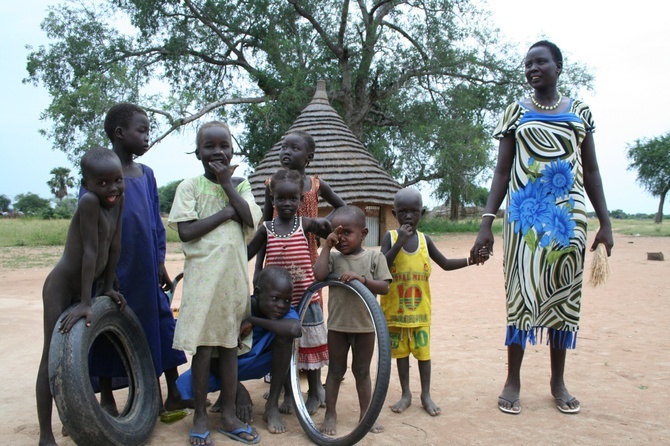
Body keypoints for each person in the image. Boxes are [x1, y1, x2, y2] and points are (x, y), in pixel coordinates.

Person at [470, 40, 614, 415]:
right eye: (527, 64)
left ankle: (558, 382)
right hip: (523, 220)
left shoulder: (580, 112)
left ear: (558, 66)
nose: (532, 68)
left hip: (568, 222)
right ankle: (512, 380)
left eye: (540, 62)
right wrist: (487, 222)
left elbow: (593, 171)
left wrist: (606, 222)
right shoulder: (515, 112)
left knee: (564, 299)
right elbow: (502, 171)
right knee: (520, 296)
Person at [88, 103, 190, 416]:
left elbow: (155, 225)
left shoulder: (146, 175)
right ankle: (106, 398)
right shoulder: (104, 177)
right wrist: (103, 272)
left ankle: (172, 391)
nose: (147, 138)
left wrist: (160, 261)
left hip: (146, 270)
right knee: (109, 329)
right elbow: (91, 224)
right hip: (114, 271)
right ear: (120, 133)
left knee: (160, 326)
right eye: (141, 131)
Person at [168, 120, 262, 445]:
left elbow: (250, 218)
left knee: (229, 347)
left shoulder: (242, 185)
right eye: (209, 146)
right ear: (198, 153)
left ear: (233, 149)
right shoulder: (189, 187)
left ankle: (230, 416)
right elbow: (186, 231)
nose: (217, 152)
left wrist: (227, 185)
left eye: (224, 145)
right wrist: (225, 213)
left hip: (233, 282)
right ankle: (198, 415)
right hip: (201, 285)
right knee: (204, 349)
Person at [37, 147, 126, 446]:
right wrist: (86, 301)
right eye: (102, 183)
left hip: (93, 284)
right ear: (86, 184)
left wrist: (110, 287)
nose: (112, 188)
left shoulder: (118, 200)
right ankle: (45, 434)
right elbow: (89, 252)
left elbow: (114, 246)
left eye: (117, 180)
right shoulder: (88, 202)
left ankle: (69, 419)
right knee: (50, 356)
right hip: (63, 286)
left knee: (80, 353)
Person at [380, 187, 488, 417]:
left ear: (422, 213)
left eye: (414, 211)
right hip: (394, 313)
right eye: (403, 212)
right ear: (394, 213)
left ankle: (425, 394)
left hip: (420, 312)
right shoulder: (389, 238)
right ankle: (406, 393)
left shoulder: (424, 240)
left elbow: (446, 263)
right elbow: (380, 266)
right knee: (400, 355)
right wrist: (399, 242)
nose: (408, 216)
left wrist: (472, 260)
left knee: (423, 354)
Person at [259, 130, 345, 413]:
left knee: (310, 326)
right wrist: (258, 269)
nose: (286, 151)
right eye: (284, 146)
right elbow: (265, 222)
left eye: (294, 148)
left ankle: (315, 388)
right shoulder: (272, 184)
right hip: (277, 266)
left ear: (308, 157)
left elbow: (341, 207)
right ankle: (288, 389)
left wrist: (321, 224)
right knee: (283, 327)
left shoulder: (316, 185)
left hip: (307, 261)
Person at [174, 266, 303, 435]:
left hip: (261, 363)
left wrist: (253, 321)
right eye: (275, 298)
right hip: (226, 368)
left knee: (285, 337)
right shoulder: (238, 307)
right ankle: (227, 393)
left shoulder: (281, 312)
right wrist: (238, 391)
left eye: (287, 300)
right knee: (184, 388)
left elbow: (294, 329)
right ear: (257, 293)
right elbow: (212, 358)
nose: (281, 306)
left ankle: (271, 406)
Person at [247, 169, 332, 414]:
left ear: (300, 199)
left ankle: (315, 391)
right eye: (281, 199)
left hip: (307, 298)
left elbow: (328, 232)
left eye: (292, 199)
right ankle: (289, 393)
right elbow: (249, 252)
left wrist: (330, 229)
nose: (287, 204)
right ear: (272, 200)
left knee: (311, 346)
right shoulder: (267, 228)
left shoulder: (304, 224)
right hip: (279, 303)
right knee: (283, 348)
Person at [313, 205, 392, 435]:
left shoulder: (374, 257)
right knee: (336, 371)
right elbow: (318, 275)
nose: (342, 238)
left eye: (347, 232)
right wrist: (326, 247)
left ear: (363, 234)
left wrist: (362, 280)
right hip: (338, 326)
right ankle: (330, 413)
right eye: (338, 233)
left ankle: (366, 414)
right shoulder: (334, 258)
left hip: (366, 326)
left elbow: (385, 287)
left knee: (362, 371)